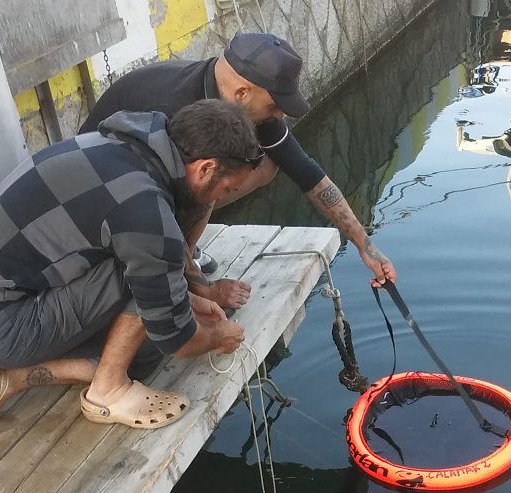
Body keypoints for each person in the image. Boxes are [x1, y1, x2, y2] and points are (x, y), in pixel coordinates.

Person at [0, 99, 258, 431]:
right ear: (206, 168)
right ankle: (106, 391)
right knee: (149, 278)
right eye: (227, 189)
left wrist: (187, 299)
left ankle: (6, 381)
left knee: (145, 344)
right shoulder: (143, 209)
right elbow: (178, 340)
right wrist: (216, 337)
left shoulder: (128, 143)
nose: (220, 199)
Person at [79, 33, 397, 312]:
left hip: (152, 186)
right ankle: (180, 267)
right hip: (98, 196)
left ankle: (186, 251)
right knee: (204, 186)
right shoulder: (175, 109)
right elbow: (156, 208)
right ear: (242, 93)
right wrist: (204, 290)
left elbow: (306, 172)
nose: (279, 115)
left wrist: (365, 245)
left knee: (267, 164)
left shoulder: (242, 100)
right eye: (274, 106)